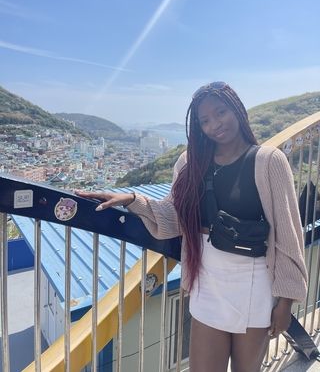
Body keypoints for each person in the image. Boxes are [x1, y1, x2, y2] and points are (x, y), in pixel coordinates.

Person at [76, 82, 307, 372]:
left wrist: (285, 303)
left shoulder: (269, 161)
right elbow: (173, 216)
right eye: (205, 120)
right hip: (207, 279)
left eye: (220, 112)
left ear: (236, 109)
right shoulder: (190, 162)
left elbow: (287, 234)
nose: (214, 125)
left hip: (253, 281)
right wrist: (132, 199)